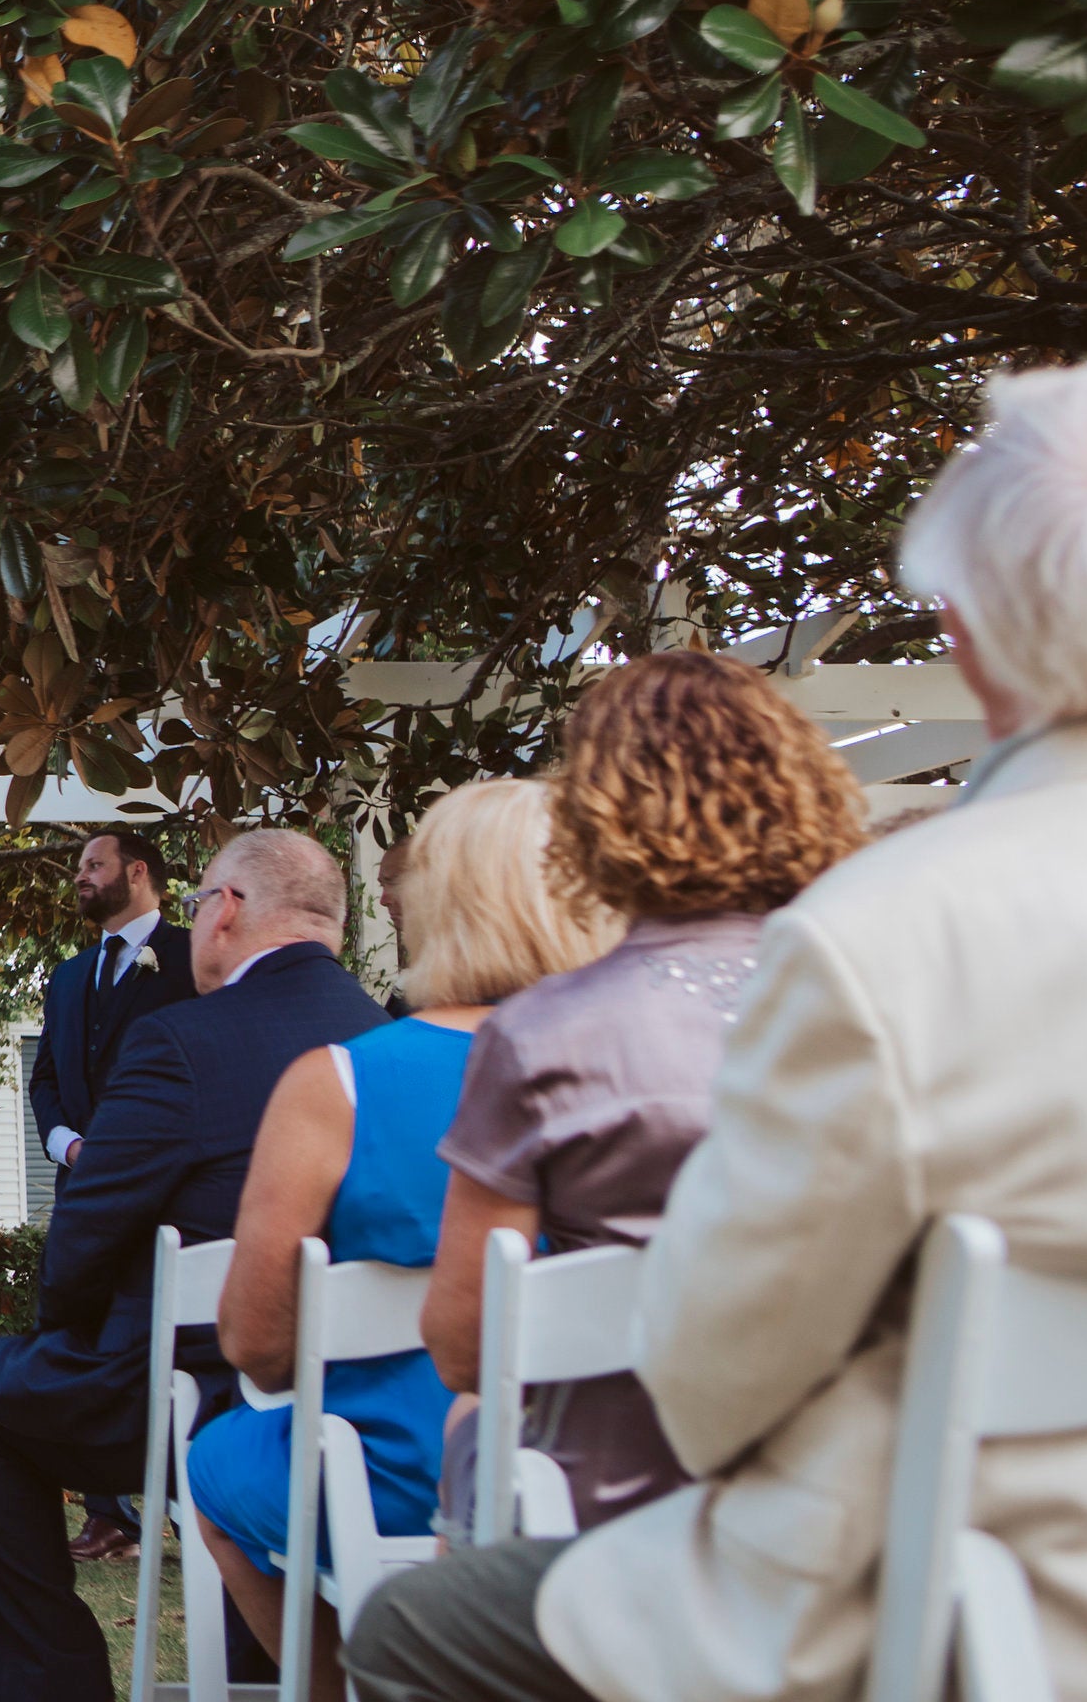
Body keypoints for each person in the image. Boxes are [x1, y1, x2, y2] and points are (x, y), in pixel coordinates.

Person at [352, 358, 1087, 1702]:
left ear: (974, 628)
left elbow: (713, 1376)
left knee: (413, 1633)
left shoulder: (894, 934)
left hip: (958, 1591)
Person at [412, 648, 869, 1541]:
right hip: (851, 1508)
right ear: (805, 790)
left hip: (607, 1516)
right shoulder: (883, 1000)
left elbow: (467, 1347)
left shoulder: (544, 1035)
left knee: (401, 1630)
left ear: (591, 817)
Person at [0, 826, 388, 1702]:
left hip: (184, 1390)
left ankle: (51, 1685)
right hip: (349, 1406)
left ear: (229, 910)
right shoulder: (388, 1042)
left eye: (199, 902)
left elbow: (86, 1236)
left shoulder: (181, 1041)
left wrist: (64, 1338)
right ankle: (256, 1668)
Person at [180, 780, 609, 1701]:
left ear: (438, 909)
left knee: (211, 1462)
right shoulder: (639, 1064)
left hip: (391, 1475)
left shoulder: (340, 1081)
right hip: (612, 1472)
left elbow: (253, 1343)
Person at [27, 825, 195, 1562]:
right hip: (83, 1192)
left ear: (139, 871)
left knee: (180, 1346)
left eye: (93, 865)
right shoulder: (66, 978)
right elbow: (47, 1080)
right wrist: (67, 1143)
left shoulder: (194, 960)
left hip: (173, 1195)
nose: (80, 877)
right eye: (78, 868)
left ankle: (196, 1509)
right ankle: (108, 1513)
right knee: (89, 1344)